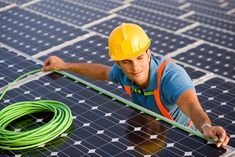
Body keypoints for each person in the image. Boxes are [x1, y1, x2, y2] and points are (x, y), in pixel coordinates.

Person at [43, 23, 229, 148]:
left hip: (185, 139)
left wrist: (205, 126)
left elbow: (191, 106)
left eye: (140, 57)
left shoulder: (172, 77)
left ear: (148, 52)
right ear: (118, 63)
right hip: (150, 128)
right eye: (126, 62)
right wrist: (64, 65)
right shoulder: (122, 74)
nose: (135, 67)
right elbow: (101, 72)